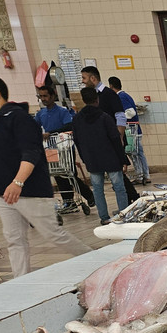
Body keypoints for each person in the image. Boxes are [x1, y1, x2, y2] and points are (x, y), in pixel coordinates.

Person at [0, 75, 92, 276]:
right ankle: (21, 284)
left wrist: (18, 182)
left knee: (54, 234)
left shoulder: (19, 118)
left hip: (29, 190)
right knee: (14, 240)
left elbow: (31, 152)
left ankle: (95, 261)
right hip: (5, 192)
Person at [72, 86, 131, 225]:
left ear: (84, 100)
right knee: (119, 187)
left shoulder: (77, 119)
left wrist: (85, 158)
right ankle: (123, 215)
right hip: (110, 157)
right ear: (97, 99)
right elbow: (115, 139)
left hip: (92, 159)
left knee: (97, 189)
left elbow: (77, 141)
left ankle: (104, 217)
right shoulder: (104, 117)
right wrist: (123, 159)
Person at [33, 85, 80, 213]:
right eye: (41, 96)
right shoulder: (41, 113)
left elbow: (69, 125)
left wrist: (51, 132)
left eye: (46, 96)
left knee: (70, 173)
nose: (43, 99)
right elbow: (34, 126)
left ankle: (85, 196)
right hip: (52, 148)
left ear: (52, 96)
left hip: (65, 146)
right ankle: (68, 201)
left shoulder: (62, 111)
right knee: (58, 174)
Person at [108, 76, 150, 185]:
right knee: (139, 153)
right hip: (135, 130)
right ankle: (146, 175)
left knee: (134, 153)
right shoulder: (126, 95)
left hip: (131, 131)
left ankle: (140, 176)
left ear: (111, 86)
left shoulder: (121, 97)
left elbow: (131, 112)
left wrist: (118, 118)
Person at [79, 66, 126, 142]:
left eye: (84, 78)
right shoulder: (92, 96)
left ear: (93, 78)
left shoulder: (109, 93)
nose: (82, 81)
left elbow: (120, 115)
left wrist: (119, 137)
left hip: (113, 139)